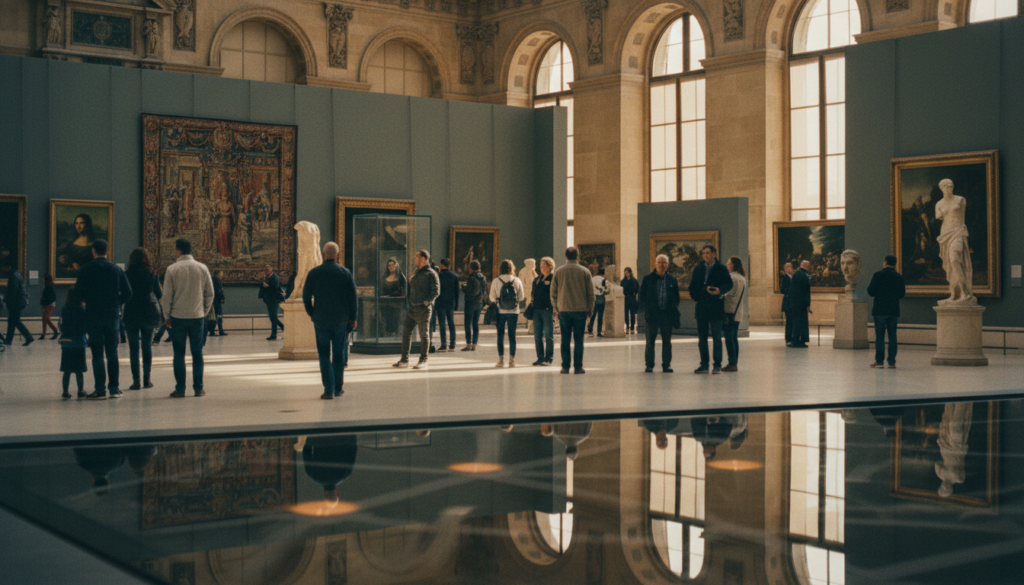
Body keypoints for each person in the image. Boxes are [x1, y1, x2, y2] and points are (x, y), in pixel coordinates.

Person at [74, 239, 132, 399]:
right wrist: (116, 302)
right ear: (107, 251)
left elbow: (77, 293)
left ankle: (100, 389)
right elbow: (128, 292)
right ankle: (114, 389)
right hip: (112, 314)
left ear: (93, 251)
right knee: (112, 352)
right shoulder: (115, 270)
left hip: (93, 314)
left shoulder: (86, 269)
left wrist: (89, 299)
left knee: (97, 353)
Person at [303, 242, 358, 400]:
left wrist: (312, 313)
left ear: (323, 254)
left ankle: (328, 389)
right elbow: (353, 298)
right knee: (339, 354)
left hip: (321, 319)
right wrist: (353, 318)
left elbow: (306, 297)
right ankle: (338, 388)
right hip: (341, 320)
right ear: (337, 255)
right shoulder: (345, 272)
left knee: (324, 355)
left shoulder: (314, 273)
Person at [161, 238, 214, 398]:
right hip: (197, 317)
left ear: (178, 251)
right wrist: (203, 311)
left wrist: (167, 315)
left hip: (178, 317)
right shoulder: (202, 268)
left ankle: (180, 388)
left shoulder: (172, 269)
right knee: (197, 353)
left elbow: (167, 296)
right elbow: (210, 293)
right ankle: (198, 388)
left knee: (179, 354)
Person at [688, 244, 733, 374]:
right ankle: (704, 364)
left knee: (717, 338)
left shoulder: (721, 268)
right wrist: (703, 291)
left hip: (716, 308)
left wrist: (720, 290)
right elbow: (692, 288)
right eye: (703, 253)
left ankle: (717, 364)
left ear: (714, 254)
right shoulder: (698, 269)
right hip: (702, 308)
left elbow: (729, 284)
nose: (705, 256)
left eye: (707, 253)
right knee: (702, 338)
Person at [122, 247, 162, 390]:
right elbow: (158, 294)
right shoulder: (152, 274)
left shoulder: (126, 274)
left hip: (132, 312)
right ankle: (147, 379)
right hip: (148, 312)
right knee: (146, 347)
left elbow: (124, 293)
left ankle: (136, 381)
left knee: (133, 349)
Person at [550, 247, 595, 374]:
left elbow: (553, 292)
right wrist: (590, 308)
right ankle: (578, 367)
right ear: (577, 256)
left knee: (565, 339)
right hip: (580, 309)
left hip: (564, 309)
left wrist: (556, 307)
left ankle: (565, 366)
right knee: (579, 339)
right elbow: (590, 293)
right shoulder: (585, 271)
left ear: (566, 256)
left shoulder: (559, 271)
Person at [393, 249, 439, 370]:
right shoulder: (416, 272)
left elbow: (436, 291)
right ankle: (404, 359)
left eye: (416, 257)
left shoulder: (431, 273)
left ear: (423, 259)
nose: (415, 259)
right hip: (412, 308)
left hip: (423, 309)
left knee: (424, 334)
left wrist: (428, 301)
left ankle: (423, 360)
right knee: (406, 332)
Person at [639, 254, 680, 373]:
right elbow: (642, 296)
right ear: (655, 264)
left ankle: (666, 365)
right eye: (660, 262)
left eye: (664, 262)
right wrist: (646, 310)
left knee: (667, 342)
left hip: (666, 315)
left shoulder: (672, 280)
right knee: (650, 342)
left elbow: (676, 297)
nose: (662, 265)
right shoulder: (648, 279)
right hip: (652, 315)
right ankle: (649, 365)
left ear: (667, 265)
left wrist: (674, 309)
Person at [867, 254, 906, 368]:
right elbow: (901, 294)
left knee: (880, 337)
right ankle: (891, 361)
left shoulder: (877, 275)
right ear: (895, 264)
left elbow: (870, 291)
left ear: (885, 262)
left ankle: (879, 362)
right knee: (892, 336)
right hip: (893, 310)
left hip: (879, 310)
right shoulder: (899, 277)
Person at [490, 259, 525, 368]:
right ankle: (511, 360)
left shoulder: (496, 280)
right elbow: (522, 297)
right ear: (512, 268)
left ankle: (501, 360)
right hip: (514, 311)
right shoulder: (517, 280)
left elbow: (492, 297)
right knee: (512, 335)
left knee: (500, 335)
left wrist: (497, 300)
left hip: (500, 311)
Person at [57, 286, 88, 399]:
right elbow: (84, 326)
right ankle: (80, 390)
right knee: (79, 369)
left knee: (67, 369)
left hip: (67, 342)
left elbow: (63, 324)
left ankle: (65, 391)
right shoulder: (81, 309)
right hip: (79, 342)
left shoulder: (65, 308)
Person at [721, 256, 747, 372]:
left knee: (729, 338)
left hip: (729, 311)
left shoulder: (732, 277)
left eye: (729, 263)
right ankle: (734, 362)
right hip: (737, 312)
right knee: (734, 338)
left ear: (733, 265)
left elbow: (726, 293)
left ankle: (732, 363)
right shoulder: (742, 278)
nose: (727, 265)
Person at [530, 257, 556, 366]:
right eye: (540, 266)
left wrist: (555, 308)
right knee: (537, 335)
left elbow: (555, 293)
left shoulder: (553, 278)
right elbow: (533, 292)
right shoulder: (537, 279)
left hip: (547, 309)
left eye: (544, 266)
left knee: (548, 334)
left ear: (550, 266)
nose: (542, 268)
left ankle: (548, 358)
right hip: (536, 310)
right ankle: (540, 357)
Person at [57, 213, 96, 278]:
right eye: (76, 223)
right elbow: (62, 258)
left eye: (81, 223)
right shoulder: (71, 244)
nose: (78, 226)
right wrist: (71, 264)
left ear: (88, 224)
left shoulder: (95, 243)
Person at [3, 262, 32, 346]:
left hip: (15, 303)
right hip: (18, 302)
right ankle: (9, 340)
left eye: (4, 267)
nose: (3, 269)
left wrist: (7, 300)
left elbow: (13, 291)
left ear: (9, 266)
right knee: (13, 321)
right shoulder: (17, 274)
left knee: (14, 321)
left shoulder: (13, 275)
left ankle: (28, 336)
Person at [460, 260, 488, 351]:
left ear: (471, 268)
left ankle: (468, 344)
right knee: (475, 324)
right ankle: (474, 344)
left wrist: (464, 287)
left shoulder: (471, 278)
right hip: (479, 303)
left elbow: (469, 291)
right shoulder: (483, 277)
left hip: (470, 303)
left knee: (468, 323)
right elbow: (485, 290)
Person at [434, 258, 459, 352]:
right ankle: (452, 345)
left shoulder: (438, 276)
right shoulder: (454, 275)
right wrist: (456, 304)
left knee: (442, 324)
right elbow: (456, 292)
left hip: (441, 303)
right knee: (451, 323)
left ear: (441, 265)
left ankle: (443, 345)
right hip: (450, 303)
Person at [380, 258, 407, 337]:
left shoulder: (401, 277)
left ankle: (395, 336)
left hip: (397, 304)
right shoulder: (385, 277)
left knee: (395, 321)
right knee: (387, 320)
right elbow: (382, 290)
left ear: (396, 265)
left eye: (392, 265)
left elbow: (405, 291)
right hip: (386, 303)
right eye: (389, 265)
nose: (391, 267)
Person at [788, 260, 812, 348]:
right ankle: (799, 341)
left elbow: (792, 290)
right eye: (809, 265)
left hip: (796, 303)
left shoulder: (797, 274)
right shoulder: (802, 275)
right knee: (800, 323)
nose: (810, 267)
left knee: (797, 322)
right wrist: (807, 303)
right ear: (805, 265)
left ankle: (796, 341)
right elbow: (806, 291)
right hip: (800, 304)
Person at [258, 264, 285, 340]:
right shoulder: (267, 278)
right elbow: (263, 287)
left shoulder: (275, 278)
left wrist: (267, 286)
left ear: (271, 270)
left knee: (273, 318)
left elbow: (276, 288)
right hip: (269, 300)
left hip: (274, 300)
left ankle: (274, 334)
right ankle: (281, 329)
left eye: (267, 270)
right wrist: (261, 295)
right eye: (265, 270)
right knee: (272, 318)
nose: (266, 272)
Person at [587, 268, 609, 337]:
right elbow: (607, 290)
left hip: (594, 298)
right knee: (600, 315)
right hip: (601, 299)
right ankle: (599, 331)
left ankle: (590, 328)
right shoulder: (604, 280)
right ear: (603, 273)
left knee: (593, 314)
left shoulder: (592, 279)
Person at [39, 273, 59, 339]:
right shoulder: (48, 286)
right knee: (44, 319)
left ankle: (55, 331)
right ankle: (43, 334)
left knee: (46, 318)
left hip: (49, 304)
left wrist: (44, 300)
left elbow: (52, 297)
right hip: (48, 304)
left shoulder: (49, 287)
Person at [621, 267, 640, 334]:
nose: (626, 274)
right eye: (625, 273)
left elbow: (638, 288)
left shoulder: (634, 281)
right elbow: (621, 289)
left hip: (632, 298)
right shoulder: (623, 281)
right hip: (625, 299)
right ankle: (627, 327)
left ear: (630, 273)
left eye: (627, 273)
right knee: (626, 314)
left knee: (632, 314)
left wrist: (635, 293)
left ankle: (632, 328)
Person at [780, 262, 794, 344]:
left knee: (792, 321)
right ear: (785, 269)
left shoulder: (793, 277)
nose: (790, 269)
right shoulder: (785, 278)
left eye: (791, 267)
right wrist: (790, 291)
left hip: (793, 302)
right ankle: (788, 338)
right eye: (788, 268)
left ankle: (792, 337)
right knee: (789, 321)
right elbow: (782, 290)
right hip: (787, 302)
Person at [211, 270, 227, 336]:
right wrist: (223, 298)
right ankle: (220, 330)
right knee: (219, 316)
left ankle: (212, 331)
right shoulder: (217, 281)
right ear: (218, 274)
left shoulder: (212, 280)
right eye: (221, 273)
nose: (222, 275)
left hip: (213, 301)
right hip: (217, 301)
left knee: (213, 317)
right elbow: (219, 291)